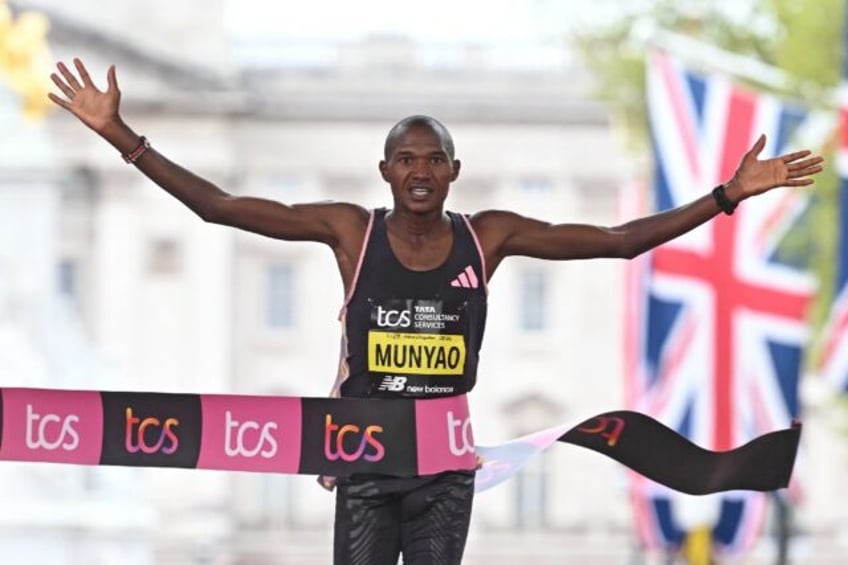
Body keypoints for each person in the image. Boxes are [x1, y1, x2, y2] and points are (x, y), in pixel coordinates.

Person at [48, 58, 823, 565]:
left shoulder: (488, 238)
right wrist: (120, 134)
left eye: (434, 159)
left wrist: (726, 196)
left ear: (455, 171)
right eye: (406, 159)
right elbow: (220, 207)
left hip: (443, 468)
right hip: (361, 460)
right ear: (385, 171)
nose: (420, 171)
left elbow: (620, 241)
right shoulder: (351, 230)